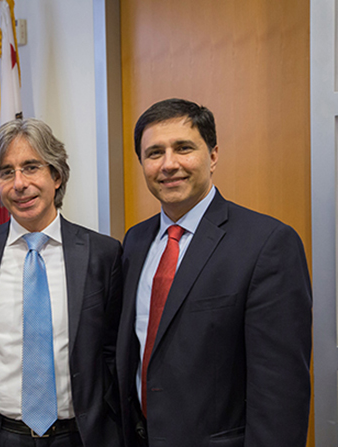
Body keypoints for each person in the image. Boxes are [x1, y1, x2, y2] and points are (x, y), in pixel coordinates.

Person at [117, 98, 312, 446]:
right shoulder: (135, 241)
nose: (169, 164)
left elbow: (282, 391)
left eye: (184, 148)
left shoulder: (267, 244)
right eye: (154, 153)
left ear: (214, 154)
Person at [0, 118, 123, 447]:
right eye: (5, 172)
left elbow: (115, 349)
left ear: (56, 176)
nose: (19, 184)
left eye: (31, 168)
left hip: (79, 436)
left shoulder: (103, 254)